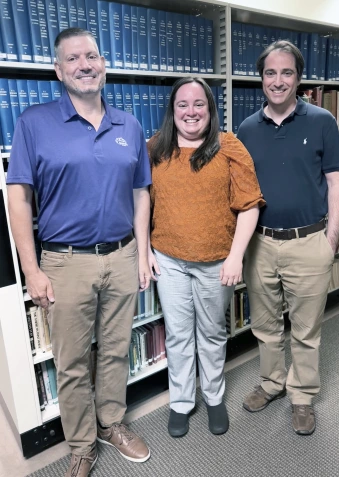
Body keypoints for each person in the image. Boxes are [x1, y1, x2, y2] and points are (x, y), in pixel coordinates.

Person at [7, 28, 151, 477]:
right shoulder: (34, 122)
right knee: (70, 361)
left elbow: (142, 191)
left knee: (113, 350)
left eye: (91, 55)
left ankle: (112, 424)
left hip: (123, 255)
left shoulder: (128, 124)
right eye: (73, 59)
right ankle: (82, 445)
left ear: (103, 63)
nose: (84, 65)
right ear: (58, 69)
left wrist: (143, 251)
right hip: (64, 262)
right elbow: (18, 197)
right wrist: (31, 269)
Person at [237, 40, 339, 435]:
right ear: (261, 78)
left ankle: (302, 396)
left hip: (309, 243)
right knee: (265, 326)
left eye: (287, 73)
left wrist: (331, 240)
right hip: (261, 245)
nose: (278, 80)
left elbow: (336, 181)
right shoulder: (247, 129)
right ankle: (271, 384)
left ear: (298, 79)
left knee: (305, 330)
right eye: (270, 73)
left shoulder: (321, 121)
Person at [147, 77, 265, 438]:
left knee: (212, 333)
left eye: (199, 104)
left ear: (211, 109)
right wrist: (144, 252)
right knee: (179, 336)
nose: (191, 111)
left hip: (217, 261)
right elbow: (141, 200)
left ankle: (214, 397)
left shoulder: (229, 146)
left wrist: (235, 257)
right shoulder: (155, 147)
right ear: (173, 110)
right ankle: (181, 402)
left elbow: (249, 206)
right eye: (182, 104)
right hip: (168, 260)